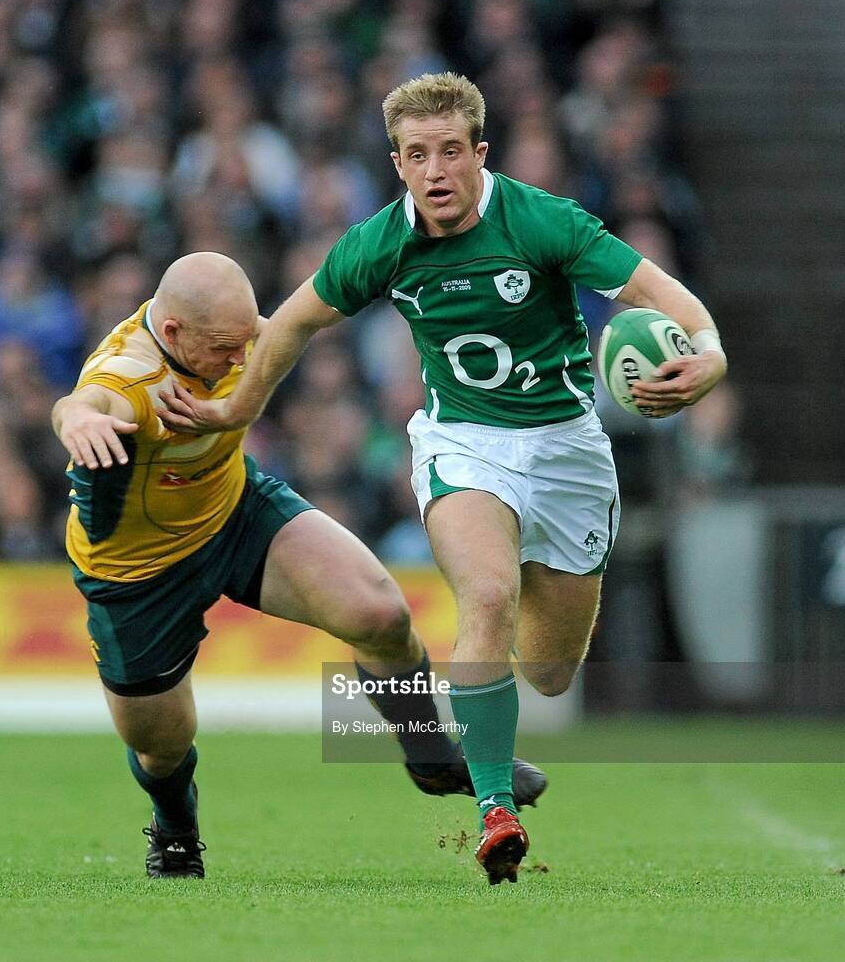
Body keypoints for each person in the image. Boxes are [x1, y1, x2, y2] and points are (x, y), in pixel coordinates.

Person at [155, 75, 728, 884]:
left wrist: (710, 354)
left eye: (451, 151)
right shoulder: (380, 244)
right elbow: (289, 326)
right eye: (417, 155)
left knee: (552, 672)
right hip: (463, 444)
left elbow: (658, 292)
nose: (436, 171)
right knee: (485, 599)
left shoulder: (542, 220)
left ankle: (484, 717)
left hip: (566, 452)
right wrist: (229, 413)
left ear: (478, 153)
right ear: (397, 163)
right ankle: (494, 810)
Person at [51, 250, 545, 879]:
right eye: (224, 348)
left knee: (381, 615)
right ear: (171, 333)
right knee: (160, 743)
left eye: (245, 339)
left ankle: (430, 757)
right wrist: (76, 420)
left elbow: (299, 321)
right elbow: (84, 402)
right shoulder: (129, 378)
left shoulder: (232, 332)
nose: (241, 359)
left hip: (236, 513)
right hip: (138, 573)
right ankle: (175, 825)